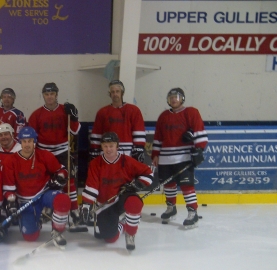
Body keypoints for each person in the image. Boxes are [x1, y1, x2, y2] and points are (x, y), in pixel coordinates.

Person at [27, 82, 86, 232]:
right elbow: (31, 137)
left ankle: (74, 210)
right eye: (46, 94)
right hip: (44, 153)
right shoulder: (36, 114)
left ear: (56, 95)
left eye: (52, 94)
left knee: (69, 181)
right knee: (45, 182)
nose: (49, 97)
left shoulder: (64, 111)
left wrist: (74, 116)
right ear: (43, 96)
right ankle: (46, 209)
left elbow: (75, 131)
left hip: (62, 151)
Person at [80, 132, 154, 251]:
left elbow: (148, 173)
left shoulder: (127, 161)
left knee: (135, 203)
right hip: (106, 204)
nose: (108, 149)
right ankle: (123, 224)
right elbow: (92, 186)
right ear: (102, 147)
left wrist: (138, 184)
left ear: (117, 146)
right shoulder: (95, 164)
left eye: (111, 146)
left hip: (122, 197)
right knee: (109, 238)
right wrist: (86, 205)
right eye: (105, 146)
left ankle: (130, 233)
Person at [2, 126, 71, 247]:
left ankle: (57, 231)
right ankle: (36, 220)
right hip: (25, 200)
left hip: (44, 193)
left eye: (30, 141)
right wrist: (11, 203)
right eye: (24, 141)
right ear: (20, 142)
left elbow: (62, 171)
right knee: (30, 237)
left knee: (63, 200)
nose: (27, 144)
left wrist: (60, 177)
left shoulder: (44, 155)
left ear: (34, 141)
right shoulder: (11, 161)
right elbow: (8, 187)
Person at [151, 87, 208, 228]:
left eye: (176, 96)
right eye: (171, 97)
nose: (173, 99)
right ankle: (171, 208)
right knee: (168, 184)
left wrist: (199, 149)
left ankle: (192, 212)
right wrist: (155, 154)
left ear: (182, 98)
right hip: (165, 158)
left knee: (186, 185)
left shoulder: (191, 112)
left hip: (184, 156)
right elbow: (158, 137)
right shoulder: (163, 116)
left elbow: (199, 130)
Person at [89, 80, 146, 162]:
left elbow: (138, 131)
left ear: (122, 93)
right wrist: (94, 150)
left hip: (127, 152)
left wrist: (138, 148)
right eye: (112, 92)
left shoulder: (133, 110)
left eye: (117, 91)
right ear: (110, 94)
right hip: (107, 151)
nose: (115, 94)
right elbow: (97, 133)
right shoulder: (102, 112)